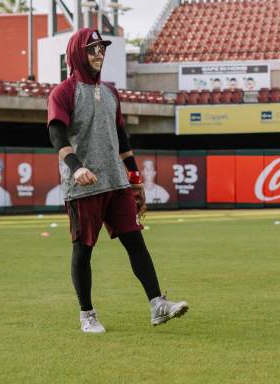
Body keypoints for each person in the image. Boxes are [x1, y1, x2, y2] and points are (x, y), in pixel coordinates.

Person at [47, 28, 188, 333]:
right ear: (76, 54)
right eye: (92, 48)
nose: (100, 53)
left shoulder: (111, 92)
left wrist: (136, 181)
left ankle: (157, 304)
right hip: (83, 185)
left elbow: (123, 139)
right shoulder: (64, 92)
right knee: (83, 250)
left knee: (136, 242)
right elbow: (56, 134)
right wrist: (76, 167)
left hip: (117, 182)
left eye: (102, 48)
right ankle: (86, 314)